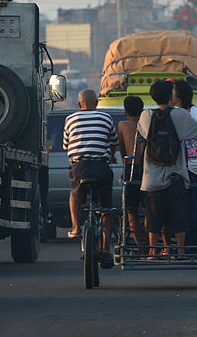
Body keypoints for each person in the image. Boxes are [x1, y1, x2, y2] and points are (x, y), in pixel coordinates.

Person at [135, 80, 197, 257]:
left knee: (153, 216)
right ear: (171, 95)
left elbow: (141, 135)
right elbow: (196, 134)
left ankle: (152, 251)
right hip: (176, 174)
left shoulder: (146, 115)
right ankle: (180, 250)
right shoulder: (180, 115)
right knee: (179, 215)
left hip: (152, 177)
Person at [63, 90, 118, 266]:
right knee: (105, 208)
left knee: (74, 194)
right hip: (101, 167)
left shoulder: (70, 119)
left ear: (80, 104)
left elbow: (66, 145)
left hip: (80, 167)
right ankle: (105, 247)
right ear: (97, 103)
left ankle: (76, 227)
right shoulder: (106, 118)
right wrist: (110, 155)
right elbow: (113, 142)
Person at [171, 80, 197, 252]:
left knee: (189, 208)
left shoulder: (175, 114)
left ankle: (192, 247)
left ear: (178, 97)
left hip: (186, 168)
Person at [117, 95, 146, 247]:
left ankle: (139, 245)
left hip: (131, 168)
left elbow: (122, 151)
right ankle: (150, 245)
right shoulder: (147, 123)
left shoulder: (122, 125)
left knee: (131, 210)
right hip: (148, 169)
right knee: (149, 209)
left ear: (125, 112)